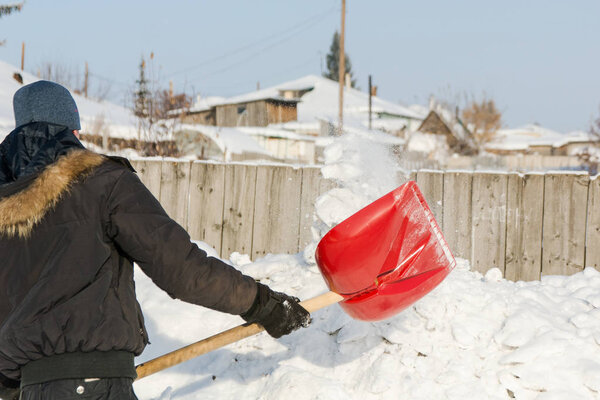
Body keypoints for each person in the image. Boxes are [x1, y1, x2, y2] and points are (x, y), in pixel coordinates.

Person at [0, 81, 311, 400]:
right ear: (70, 132)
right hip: (96, 386)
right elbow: (181, 269)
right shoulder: (103, 182)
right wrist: (261, 302)